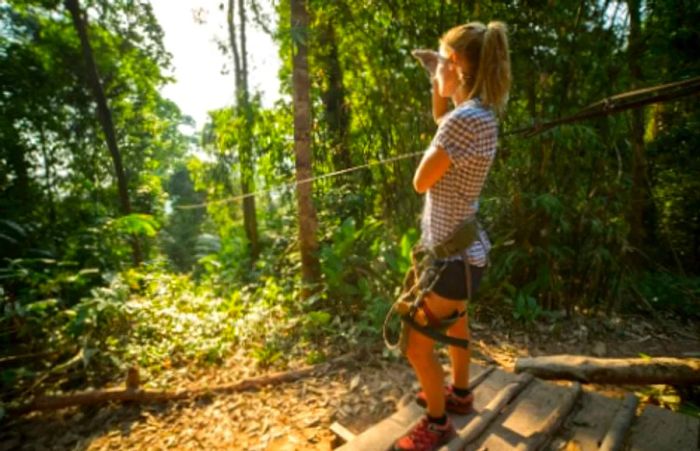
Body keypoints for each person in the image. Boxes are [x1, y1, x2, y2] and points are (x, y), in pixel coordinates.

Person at [394, 21, 511, 451]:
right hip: (466, 254)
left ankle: (438, 422)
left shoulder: (463, 123)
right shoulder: (478, 113)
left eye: (441, 62)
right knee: (457, 322)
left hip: (451, 261)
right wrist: (436, 81)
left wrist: (441, 86)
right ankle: (460, 394)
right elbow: (444, 119)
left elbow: (421, 180)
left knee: (417, 346)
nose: (435, 70)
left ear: (457, 63)